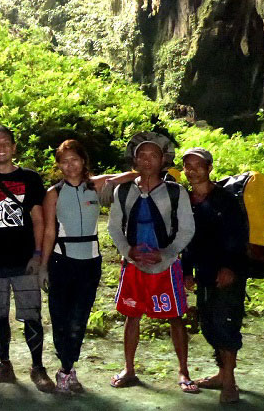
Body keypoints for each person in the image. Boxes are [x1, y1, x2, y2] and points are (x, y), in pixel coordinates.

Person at [41, 139, 137, 393]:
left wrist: (111, 179)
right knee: (61, 317)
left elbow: (133, 175)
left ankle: (68, 367)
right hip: (62, 260)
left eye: (74, 159)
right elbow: (49, 231)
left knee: (79, 318)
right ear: (59, 165)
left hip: (91, 262)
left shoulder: (95, 187)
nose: (70, 165)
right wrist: (42, 266)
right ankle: (66, 369)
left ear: (83, 161)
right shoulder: (54, 193)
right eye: (64, 161)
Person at [0, 126, 54, 392]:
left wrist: (38, 255)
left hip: (24, 259)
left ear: (14, 148)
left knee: (32, 316)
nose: (1, 147)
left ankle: (38, 367)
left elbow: (39, 220)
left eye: (6, 143)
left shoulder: (30, 178)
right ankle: (4, 364)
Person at [108, 138, 196, 392]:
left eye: (153, 155)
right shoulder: (123, 191)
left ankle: (183, 370)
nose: (147, 160)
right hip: (134, 265)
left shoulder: (175, 191)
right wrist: (128, 250)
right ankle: (129, 368)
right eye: (142, 155)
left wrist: (167, 253)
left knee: (174, 316)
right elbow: (114, 227)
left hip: (166, 266)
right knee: (131, 315)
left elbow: (187, 228)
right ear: (134, 160)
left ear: (163, 160)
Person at [182, 147, 247, 404]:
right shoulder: (187, 201)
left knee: (226, 323)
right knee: (209, 324)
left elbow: (238, 236)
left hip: (228, 273)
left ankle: (230, 383)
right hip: (205, 272)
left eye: (197, 165)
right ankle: (222, 373)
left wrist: (229, 267)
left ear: (209, 168)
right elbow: (187, 239)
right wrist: (187, 271)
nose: (191, 170)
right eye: (187, 165)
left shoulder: (225, 200)